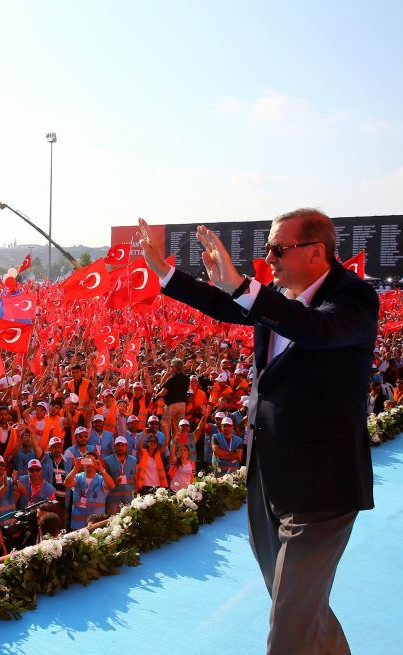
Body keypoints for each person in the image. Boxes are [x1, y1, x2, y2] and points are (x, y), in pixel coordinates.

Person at [138, 209, 378, 655]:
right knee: (302, 609)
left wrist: (243, 287)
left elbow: (317, 332)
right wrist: (165, 272)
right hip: (268, 477)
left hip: (323, 488)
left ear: (316, 252)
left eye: (277, 249)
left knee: (288, 625)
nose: (267, 258)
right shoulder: (277, 299)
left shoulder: (353, 298)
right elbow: (224, 304)